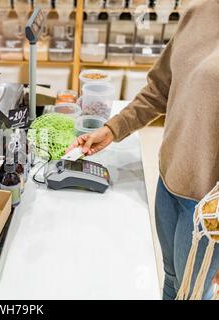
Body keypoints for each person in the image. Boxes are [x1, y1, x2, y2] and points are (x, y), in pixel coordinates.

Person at [68, 0, 218, 299]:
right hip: (170, 181)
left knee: (190, 294)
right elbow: (159, 88)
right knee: (173, 280)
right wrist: (113, 128)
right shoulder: (199, 12)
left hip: (209, 206)